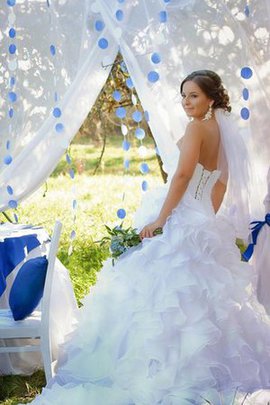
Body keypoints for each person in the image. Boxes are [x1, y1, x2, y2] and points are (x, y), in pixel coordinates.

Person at [28, 71, 270, 405]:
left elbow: (184, 175)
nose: (187, 102)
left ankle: (153, 368)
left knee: (157, 292)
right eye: (184, 95)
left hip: (179, 213)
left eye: (194, 96)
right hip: (199, 217)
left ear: (211, 99)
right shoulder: (220, 131)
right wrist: (206, 217)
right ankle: (206, 367)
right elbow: (220, 183)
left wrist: (161, 219)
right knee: (202, 297)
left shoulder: (197, 127)